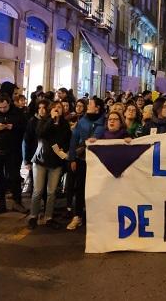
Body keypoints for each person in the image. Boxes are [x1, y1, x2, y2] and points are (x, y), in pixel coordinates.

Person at [27, 102, 72, 230]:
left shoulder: (64, 125)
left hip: (56, 162)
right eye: (54, 107)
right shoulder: (44, 121)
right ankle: (33, 216)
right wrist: (51, 120)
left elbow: (67, 140)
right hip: (41, 160)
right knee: (38, 190)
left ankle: (48, 217)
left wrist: (63, 150)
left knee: (51, 191)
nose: (57, 109)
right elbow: (40, 133)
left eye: (59, 108)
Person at [67, 97, 105, 231]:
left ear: (98, 108)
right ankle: (77, 216)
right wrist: (72, 158)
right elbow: (74, 140)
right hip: (82, 160)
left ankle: (95, 217)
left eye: (91, 104)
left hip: (98, 162)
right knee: (80, 188)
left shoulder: (104, 121)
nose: (88, 106)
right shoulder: (82, 121)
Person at [0, 96, 27, 214]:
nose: (3, 109)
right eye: (0, 107)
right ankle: (1, 204)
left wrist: (13, 127)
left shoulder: (18, 113)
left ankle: (17, 202)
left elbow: (26, 128)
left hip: (13, 149)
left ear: (9, 104)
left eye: (5, 107)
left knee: (14, 176)